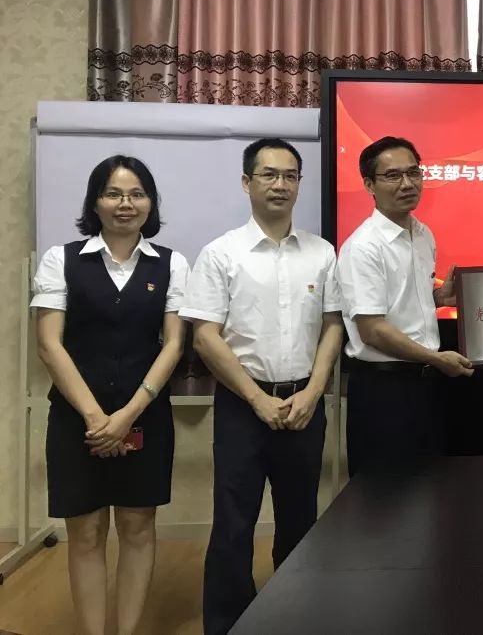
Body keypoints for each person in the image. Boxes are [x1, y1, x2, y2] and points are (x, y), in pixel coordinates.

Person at [181, 138, 343, 635]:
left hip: (303, 402)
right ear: (246, 182)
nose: (280, 184)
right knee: (234, 523)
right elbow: (205, 336)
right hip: (241, 404)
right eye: (269, 174)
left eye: (290, 175)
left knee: (300, 520)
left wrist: (314, 392)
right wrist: (255, 398)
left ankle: (294, 617)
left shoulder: (322, 252)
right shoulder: (221, 253)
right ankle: (228, 624)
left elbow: (333, 325)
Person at [32, 155, 188, 635]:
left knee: (138, 528)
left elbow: (174, 344)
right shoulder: (61, 259)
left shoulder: (172, 263)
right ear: (95, 202)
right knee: (85, 532)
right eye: (114, 193)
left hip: (146, 416)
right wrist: (97, 417)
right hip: (75, 420)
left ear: (150, 203)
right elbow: (49, 344)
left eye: (137, 194)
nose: (126, 204)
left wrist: (127, 415)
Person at [336, 136, 471, 475]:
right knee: (384, 494)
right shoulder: (364, 247)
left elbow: (401, 304)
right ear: (369, 184)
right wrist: (435, 358)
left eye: (414, 173)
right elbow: (373, 330)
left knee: (429, 487)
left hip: (425, 386)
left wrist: (439, 299)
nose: (408, 184)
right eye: (393, 176)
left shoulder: (423, 234)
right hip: (384, 390)